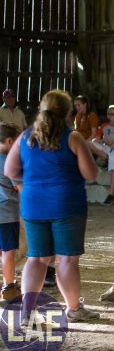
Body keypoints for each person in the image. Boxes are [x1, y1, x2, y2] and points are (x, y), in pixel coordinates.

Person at [4, 89, 100, 322]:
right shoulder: (73, 137)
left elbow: (10, 170)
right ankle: (74, 309)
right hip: (67, 204)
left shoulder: (26, 137)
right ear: (67, 112)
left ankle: (27, 312)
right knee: (66, 259)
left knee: (37, 258)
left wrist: (24, 184)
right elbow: (90, 173)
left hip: (33, 204)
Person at [0, 122, 22, 302]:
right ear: (8, 141)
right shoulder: (9, 161)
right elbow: (21, 187)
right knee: (8, 252)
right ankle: (9, 287)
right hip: (6, 212)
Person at [89, 105, 114, 205]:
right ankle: (109, 160)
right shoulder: (104, 126)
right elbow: (95, 140)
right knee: (91, 144)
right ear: (108, 115)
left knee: (113, 168)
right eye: (111, 114)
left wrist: (113, 143)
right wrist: (104, 141)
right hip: (108, 149)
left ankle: (110, 194)